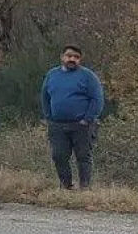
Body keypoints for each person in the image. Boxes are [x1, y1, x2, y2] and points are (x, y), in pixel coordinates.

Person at [41, 44, 105, 191]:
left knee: (83, 156)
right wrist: (49, 117)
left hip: (82, 125)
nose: (72, 59)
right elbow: (44, 96)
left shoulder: (88, 76)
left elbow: (97, 99)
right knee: (59, 156)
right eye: (69, 56)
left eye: (76, 57)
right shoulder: (52, 75)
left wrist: (87, 119)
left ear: (80, 60)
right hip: (57, 125)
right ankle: (66, 185)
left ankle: (85, 187)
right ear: (62, 57)